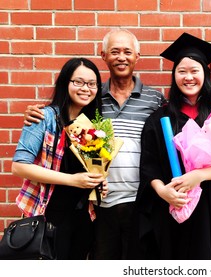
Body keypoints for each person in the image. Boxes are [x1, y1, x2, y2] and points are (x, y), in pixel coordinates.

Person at [22, 28, 166, 259]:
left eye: (127, 51)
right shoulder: (93, 100)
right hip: (98, 206)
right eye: (115, 51)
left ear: (137, 57)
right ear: (103, 55)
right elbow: (69, 124)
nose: (121, 57)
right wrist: (36, 113)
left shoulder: (155, 99)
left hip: (139, 201)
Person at [134, 33, 211, 259]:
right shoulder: (159, 119)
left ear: (205, 74)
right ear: (174, 76)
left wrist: (199, 176)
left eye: (194, 71)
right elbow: (149, 166)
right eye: (182, 71)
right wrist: (163, 192)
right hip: (173, 207)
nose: (188, 77)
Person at [12, 57, 107, 259]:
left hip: (82, 218)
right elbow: (19, 166)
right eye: (78, 82)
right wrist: (73, 180)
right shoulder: (44, 117)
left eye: (92, 84)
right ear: (66, 83)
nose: (85, 88)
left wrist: (98, 184)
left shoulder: (90, 127)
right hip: (49, 216)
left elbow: (89, 171)